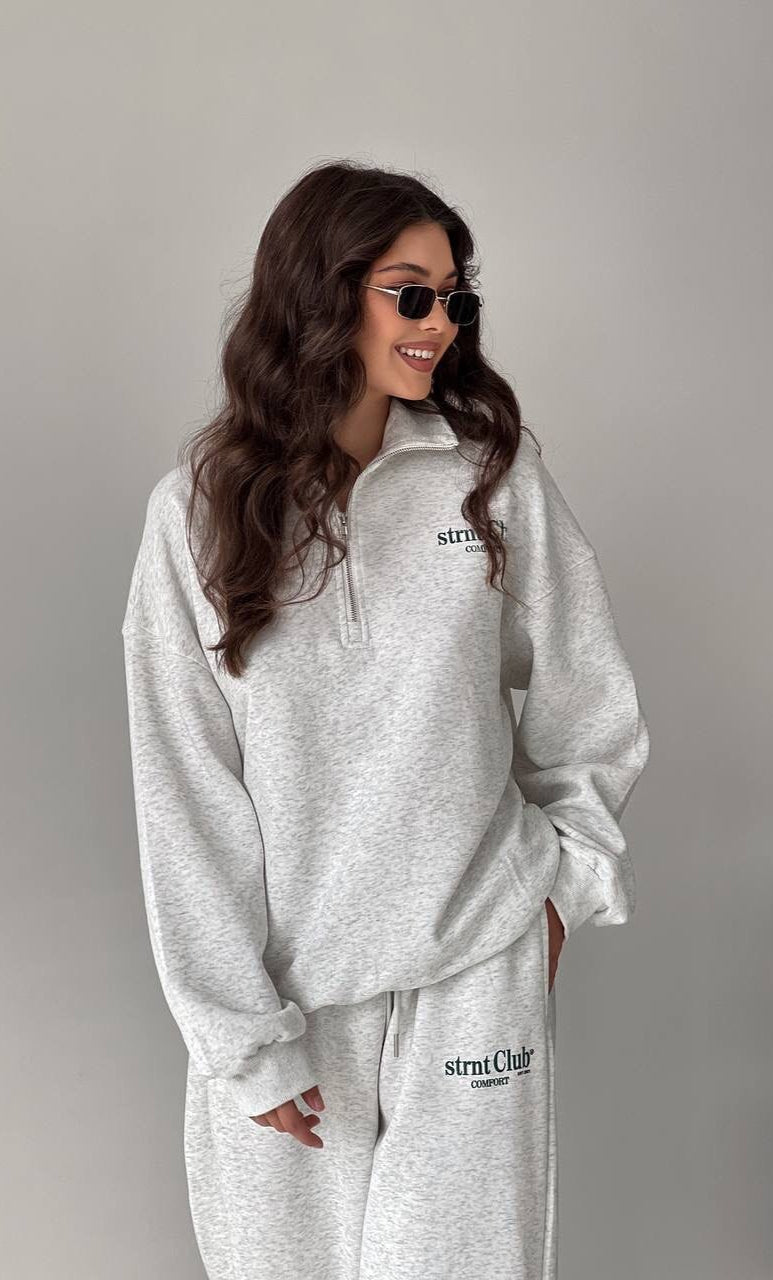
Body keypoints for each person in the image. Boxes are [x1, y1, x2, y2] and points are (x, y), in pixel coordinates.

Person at [120, 159, 651, 1280]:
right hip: (292, 1005)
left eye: (454, 298)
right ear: (323, 294)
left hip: (475, 974)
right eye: (411, 294)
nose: (440, 324)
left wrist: (563, 891)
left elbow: (588, 697)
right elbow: (185, 795)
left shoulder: (490, 480)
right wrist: (241, 1040)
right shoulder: (199, 518)